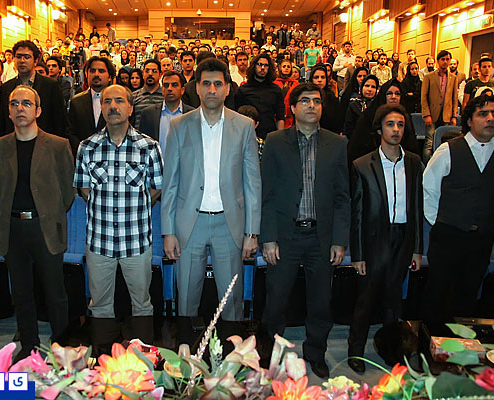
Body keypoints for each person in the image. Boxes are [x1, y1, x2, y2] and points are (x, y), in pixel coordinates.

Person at [161, 58, 261, 348]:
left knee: (231, 299)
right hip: (189, 225)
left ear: (228, 88)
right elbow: (171, 182)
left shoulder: (244, 126)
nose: (212, 89)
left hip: (229, 225)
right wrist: (168, 230)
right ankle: (187, 355)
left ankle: (232, 357)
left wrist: (252, 232)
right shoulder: (180, 125)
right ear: (197, 88)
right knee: (186, 297)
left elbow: (252, 183)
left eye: (218, 84)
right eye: (206, 83)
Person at [259, 82, 350, 379]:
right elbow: (267, 194)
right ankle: (270, 358)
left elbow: (342, 197)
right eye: (305, 100)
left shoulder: (337, 144)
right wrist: (268, 237)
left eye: (317, 101)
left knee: (321, 303)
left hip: (321, 238)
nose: (312, 105)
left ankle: (315, 353)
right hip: (285, 236)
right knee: (276, 302)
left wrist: (339, 240)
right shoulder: (275, 141)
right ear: (293, 107)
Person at [74, 84, 163, 355]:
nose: (113, 106)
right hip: (99, 242)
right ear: (101, 107)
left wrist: (134, 208)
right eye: (107, 101)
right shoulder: (87, 147)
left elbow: (156, 188)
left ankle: (144, 362)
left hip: (136, 241)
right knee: (100, 304)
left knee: (142, 303)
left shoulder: (149, 147)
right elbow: (84, 188)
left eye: (119, 101)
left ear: (130, 108)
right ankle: (103, 359)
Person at [0, 85, 74, 363]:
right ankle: (28, 347)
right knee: (21, 293)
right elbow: (1, 184)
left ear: (38, 110)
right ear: (8, 111)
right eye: (14, 103)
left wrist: (49, 213)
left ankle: (61, 348)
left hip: (44, 226)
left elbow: (68, 191)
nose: (20, 108)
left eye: (26, 103)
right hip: (13, 228)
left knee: (55, 293)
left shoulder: (58, 145)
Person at [348, 103, 423, 372]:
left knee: (394, 301)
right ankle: (355, 352)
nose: (396, 130)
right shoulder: (362, 165)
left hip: (402, 238)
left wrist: (417, 248)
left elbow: (417, 208)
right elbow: (357, 213)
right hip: (374, 240)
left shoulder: (414, 162)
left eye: (400, 125)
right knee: (366, 300)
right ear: (380, 129)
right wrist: (357, 254)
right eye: (390, 124)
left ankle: (393, 352)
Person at [422, 94, 494, 334]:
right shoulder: (449, 150)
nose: (490, 119)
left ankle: (460, 348)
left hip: (481, 239)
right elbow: (429, 189)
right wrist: (442, 222)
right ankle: (431, 345)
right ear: (469, 121)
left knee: (467, 298)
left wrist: (482, 215)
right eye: (483, 114)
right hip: (448, 235)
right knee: (437, 296)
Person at [0, 40, 68, 138]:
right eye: (18, 57)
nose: (22, 60)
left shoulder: (51, 86)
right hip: (13, 141)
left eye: (27, 57)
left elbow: (59, 121)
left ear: (36, 61)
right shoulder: (6, 87)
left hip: (44, 141)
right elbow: (2, 123)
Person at [348, 79, 420, 164]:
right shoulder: (369, 117)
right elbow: (356, 148)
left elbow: (412, 146)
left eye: (397, 94)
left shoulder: (406, 118)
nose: (393, 97)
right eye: (389, 93)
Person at [67, 56, 115, 156]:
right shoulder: (76, 102)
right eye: (92, 71)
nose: (96, 74)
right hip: (83, 157)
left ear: (109, 77)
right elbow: (71, 132)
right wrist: (83, 151)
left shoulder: (118, 102)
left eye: (101, 71)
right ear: (86, 74)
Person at [138, 70, 194, 155]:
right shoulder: (148, 114)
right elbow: (143, 145)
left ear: (182, 90)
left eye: (174, 85)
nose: (170, 89)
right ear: (162, 90)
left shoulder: (193, 115)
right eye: (166, 85)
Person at [235, 53, 285, 139]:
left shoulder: (276, 90)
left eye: (266, 65)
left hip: (270, 135)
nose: (262, 68)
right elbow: (236, 117)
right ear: (254, 66)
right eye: (259, 64)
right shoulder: (243, 90)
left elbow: (280, 117)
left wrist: (281, 138)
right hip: (248, 135)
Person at [421, 50, 458, 162]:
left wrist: (454, 116)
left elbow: (454, 98)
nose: (445, 62)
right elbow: (424, 97)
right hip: (432, 114)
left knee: (445, 143)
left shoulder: (453, 78)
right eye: (443, 59)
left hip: (446, 115)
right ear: (438, 61)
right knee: (429, 142)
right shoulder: (429, 77)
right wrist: (426, 114)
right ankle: (426, 166)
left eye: (447, 59)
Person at [343, 74, 379, 138]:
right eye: (367, 86)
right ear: (362, 87)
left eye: (373, 87)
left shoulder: (379, 107)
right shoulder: (353, 105)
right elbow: (348, 129)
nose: (369, 89)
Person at [132, 59, 163, 130]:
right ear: (143, 74)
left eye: (154, 71)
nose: (150, 74)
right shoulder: (134, 96)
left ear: (160, 75)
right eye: (147, 71)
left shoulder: (166, 96)